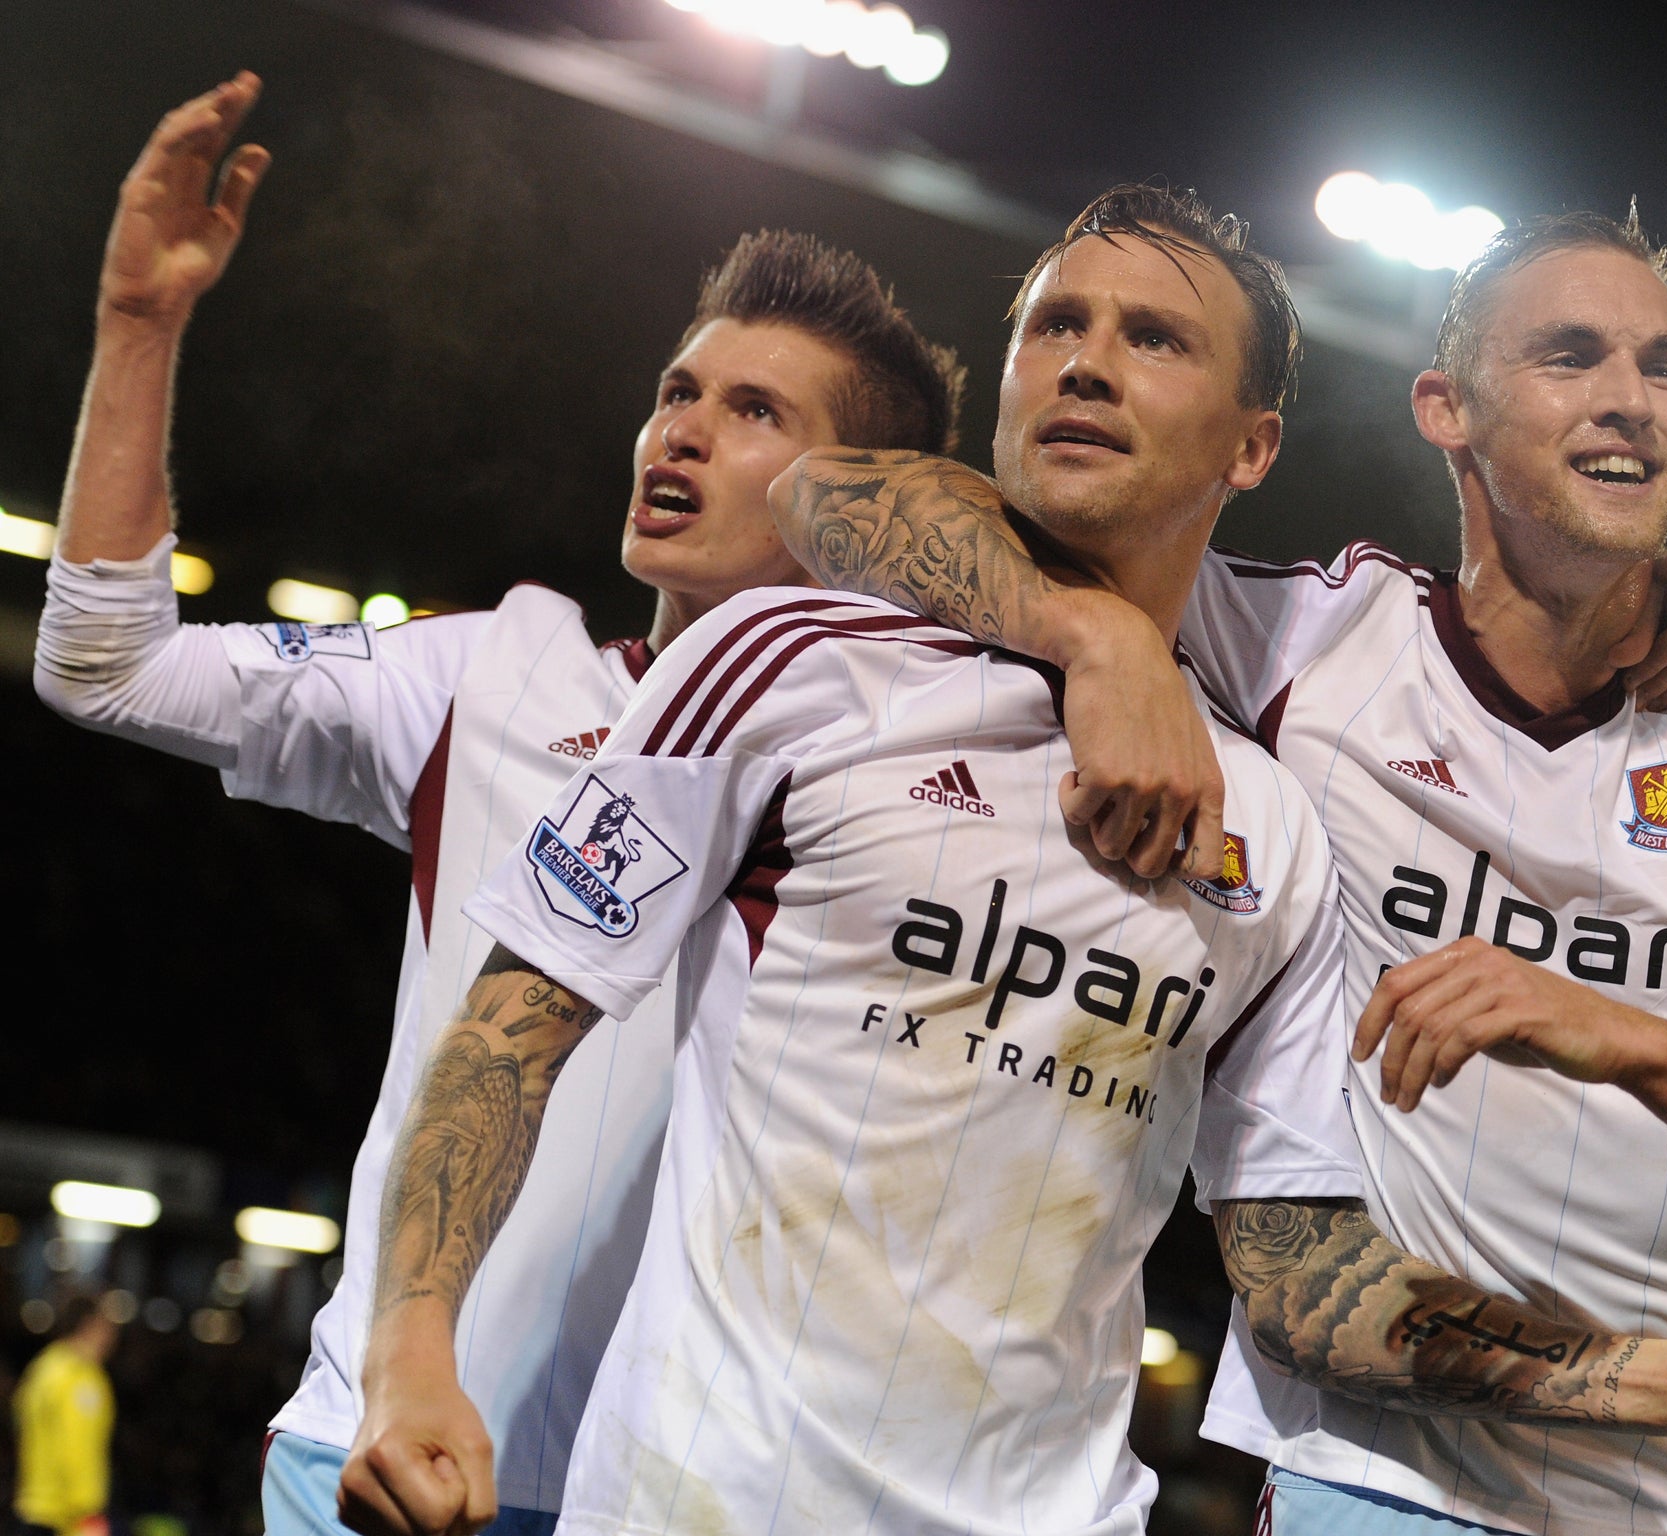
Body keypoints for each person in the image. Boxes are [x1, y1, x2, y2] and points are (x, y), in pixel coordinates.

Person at [340, 186, 1667, 1536]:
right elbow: (508, 1035)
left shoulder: (1274, 825)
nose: (1085, 359)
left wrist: (1656, 1379)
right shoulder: (775, 658)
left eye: (1153, 339)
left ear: (1256, 445)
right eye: (1054, 323)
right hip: (696, 1503)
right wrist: (412, 1363)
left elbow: (1307, 1280)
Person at [768, 201, 1667, 1533]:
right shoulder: (1303, 645)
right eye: (1571, 356)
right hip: (1368, 1484)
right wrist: (1107, 639)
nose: (1628, 402)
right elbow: (833, 495)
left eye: (1665, 367)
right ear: (1447, 409)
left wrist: (1622, 1035)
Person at [32, 74, 963, 1536]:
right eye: (678, 391)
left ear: (861, 498)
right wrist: (142, 327)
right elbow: (107, 663)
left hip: (680, 1494)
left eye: (754, 410)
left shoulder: (927, 777)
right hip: (379, 1449)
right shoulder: (502, 671)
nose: (686, 429)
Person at [12, 1294, 119, 1536]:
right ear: (92, 1323)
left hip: (31, 1506)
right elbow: (77, 1446)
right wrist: (88, 1513)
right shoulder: (81, 1378)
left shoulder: (43, 1367)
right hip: (65, 1517)